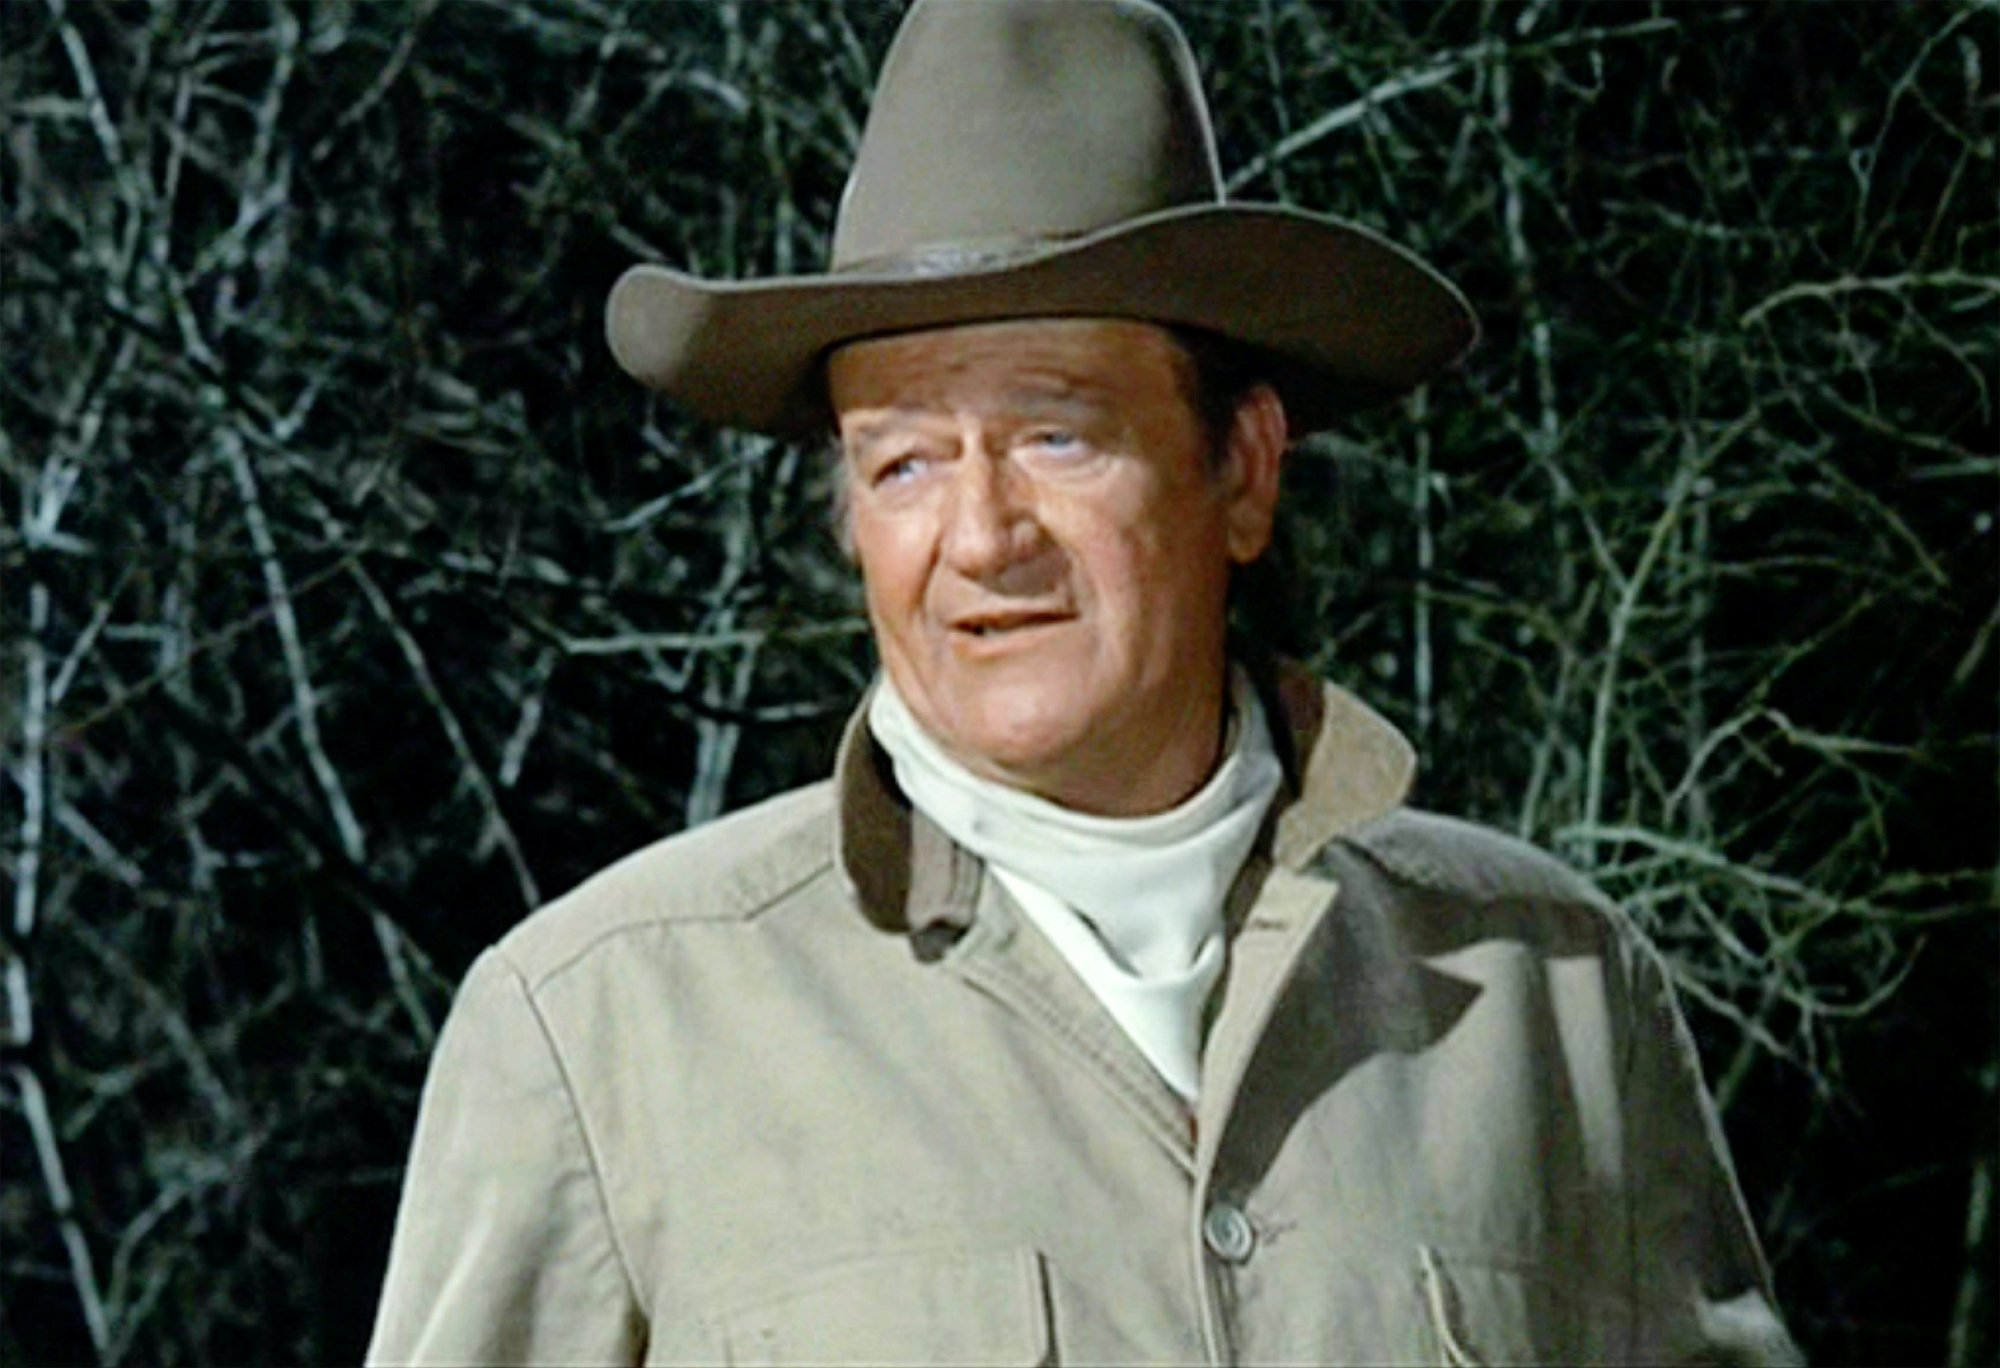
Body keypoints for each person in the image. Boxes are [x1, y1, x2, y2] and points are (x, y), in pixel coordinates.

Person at [369, 2, 1801, 1362]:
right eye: (904, 462)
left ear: (1242, 470)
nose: (982, 535)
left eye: (1057, 436)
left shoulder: (1551, 992)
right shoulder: (601, 1031)